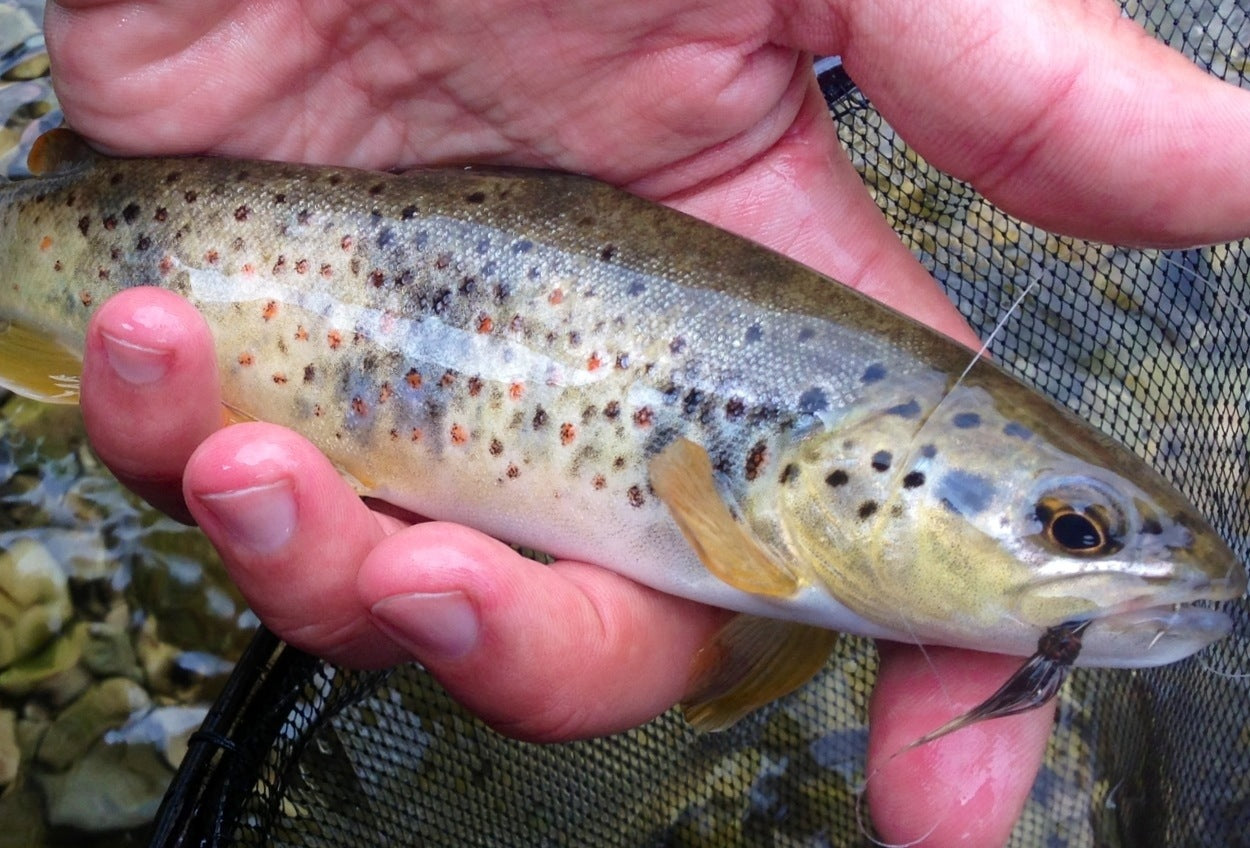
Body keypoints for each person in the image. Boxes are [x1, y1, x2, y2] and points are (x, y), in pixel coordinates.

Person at [45, 0, 1250, 844]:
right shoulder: (773, 547)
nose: (1093, 558)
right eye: (1071, 529)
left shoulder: (798, 568)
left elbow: (754, 640)